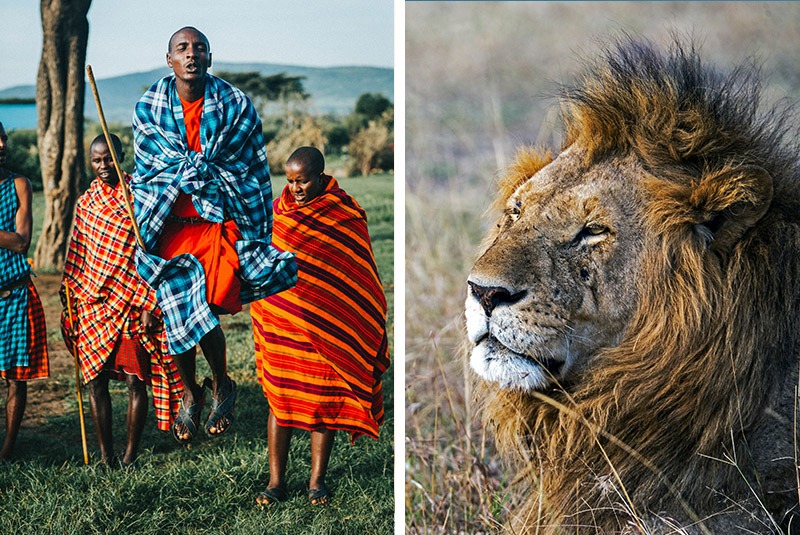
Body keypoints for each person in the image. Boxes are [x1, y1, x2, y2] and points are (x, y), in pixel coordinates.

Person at [130, 27, 297, 443]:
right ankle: (192, 394)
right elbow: (149, 171)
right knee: (176, 310)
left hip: (214, 224)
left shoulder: (235, 105)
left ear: (209, 57)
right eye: (182, 49)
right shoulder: (149, 107)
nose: (191, 55)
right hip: (168, 225)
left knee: (202, 307)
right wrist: (182, 175)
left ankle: (221, 381)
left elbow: (250, 169)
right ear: (168, 59)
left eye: (199, 48)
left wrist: (208, 178)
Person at [250, 147, 390, 506]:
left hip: (327, 328)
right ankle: (276, 482)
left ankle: (316, 482)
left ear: (322, 175)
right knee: (280, 403)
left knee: (322, 403)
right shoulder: (276, 214)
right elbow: (264, 265)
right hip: (283, 323)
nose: (296, 188)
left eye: (303, 180)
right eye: (290, 180)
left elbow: (356, 273)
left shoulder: (343, 214)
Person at [60, 134, 183, 466]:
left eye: (109, 159)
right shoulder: (86, 203)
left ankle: (130, 454)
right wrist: (71, 297)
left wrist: (149, 303)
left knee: (135, 380)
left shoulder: (138, 197)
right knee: (95, 381)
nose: (103, 166)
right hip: (93, 302)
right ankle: (106, 455)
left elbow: (155, 251)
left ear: (122, 156)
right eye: (97, 161)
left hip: (132, 301)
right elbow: (78, 254)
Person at [0, 120, 50, 460]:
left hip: (16, 294)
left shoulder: (20, 184)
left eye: (2, 138)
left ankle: (7, 450)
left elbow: (20, 242)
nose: (1, 145)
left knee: (16, 379)